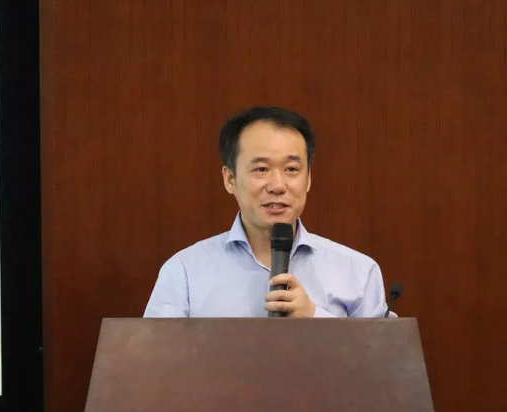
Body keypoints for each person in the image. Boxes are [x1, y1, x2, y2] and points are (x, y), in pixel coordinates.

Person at [144, 106, 389, 318]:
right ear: (230, 179)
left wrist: (315, 318)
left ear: (308, 179)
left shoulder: (358, 272)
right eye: (261, 169)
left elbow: (384, 356)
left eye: (291, 169)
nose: (278, 185)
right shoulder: (185, 272)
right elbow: (156, 355)